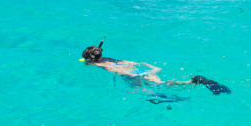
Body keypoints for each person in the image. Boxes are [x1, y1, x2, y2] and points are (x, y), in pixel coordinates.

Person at [80, 41, 230, 95]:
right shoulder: (109, 58)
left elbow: (93, 64)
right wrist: (150, 66)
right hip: (137, 68)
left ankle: (164, 99)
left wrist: (88, 62)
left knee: (142, 91)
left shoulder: (96, 63)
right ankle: (194, 81)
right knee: (160, 83)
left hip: (130, 74)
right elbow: (131, 61)